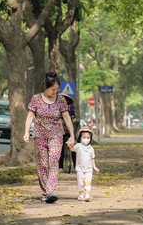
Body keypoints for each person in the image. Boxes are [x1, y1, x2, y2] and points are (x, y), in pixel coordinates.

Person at [23, 72, 75, 203]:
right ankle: (45, 191)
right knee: (42, 164)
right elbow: (30, 116)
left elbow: (67, 118)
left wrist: (72, 136)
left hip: (56, 135)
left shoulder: (61, 100)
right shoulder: (36, 99)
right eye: (53, 89)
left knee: (53, 161)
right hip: (40, 135)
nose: (55, 92)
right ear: (45, 86)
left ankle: (50, 191)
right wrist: (26, 132)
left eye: (57, 89)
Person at [68, 126, 99, 202]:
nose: (86, 139)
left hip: (88, 170)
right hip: (80, 169)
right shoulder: (78, 146)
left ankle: (87, 194)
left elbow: (92, 158)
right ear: (80, 138)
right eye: (84, 137)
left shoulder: (91, 148)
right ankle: (81, 194)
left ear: (90, 139)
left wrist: (94, 167)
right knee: (81, 183)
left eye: (88, 138)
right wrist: (70, 145)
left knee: (88, 181)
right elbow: (72, 149)